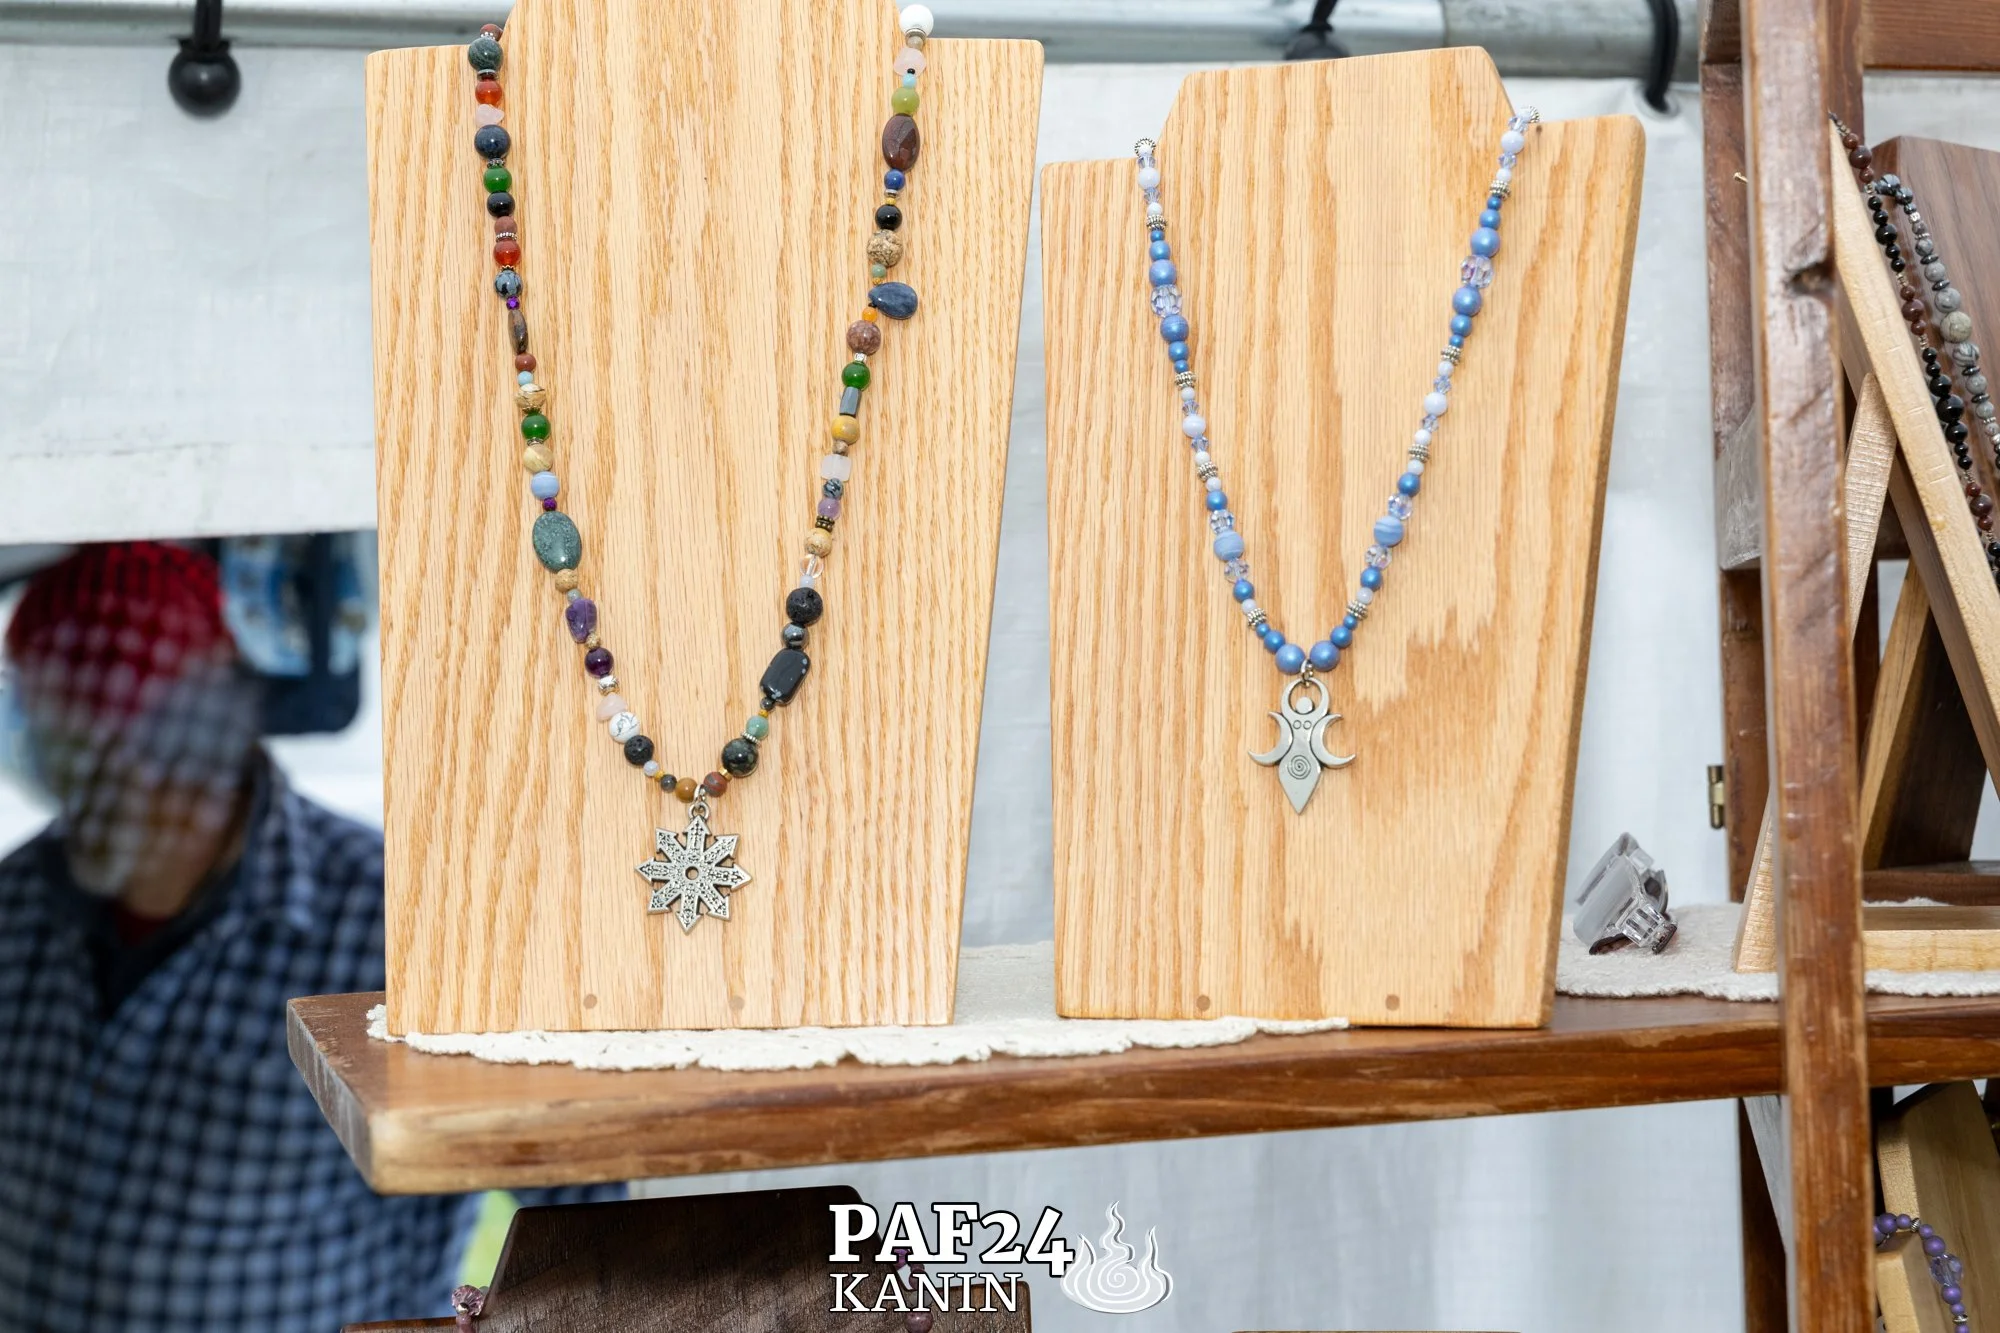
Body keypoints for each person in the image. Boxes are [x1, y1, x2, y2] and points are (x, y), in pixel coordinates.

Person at [0, 542, 616, 1332]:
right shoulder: (17, 906)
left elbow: (592, 1210)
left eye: (141, 747)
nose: (119, 789)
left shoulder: (397, 926)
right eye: (76, 754)